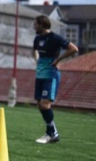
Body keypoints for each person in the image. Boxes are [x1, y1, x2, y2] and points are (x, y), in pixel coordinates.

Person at [32, 15, 78, 144]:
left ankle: (52, 133)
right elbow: (34, 50)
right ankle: (51, 133)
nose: (34, 26)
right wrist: (37, 61)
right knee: (39, 105)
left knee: (45, 104)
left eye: (36, 24)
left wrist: (58, 60)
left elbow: (74, 49)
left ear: (42, 24)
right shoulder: (37, 38)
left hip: (51, 75)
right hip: (40, 74)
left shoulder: (55, 38)